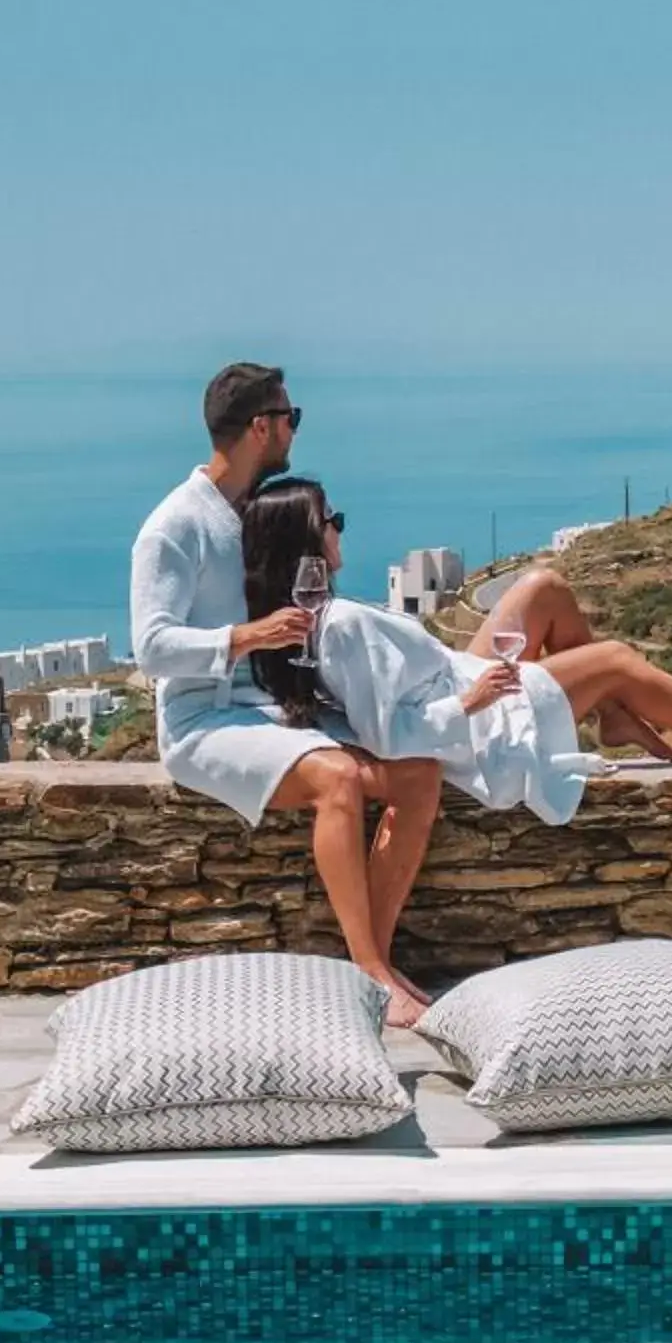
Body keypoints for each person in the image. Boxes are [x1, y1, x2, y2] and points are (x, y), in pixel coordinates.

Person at [130, 363, 441, 1025]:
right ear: (261, 427)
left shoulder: (252, 508)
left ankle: (376, 961)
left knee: (417, 773)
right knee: (338, 782)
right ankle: (367, 970)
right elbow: (151, 647)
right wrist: (248, 636)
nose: (296, 428)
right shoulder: (174, 527)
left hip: (271, 705)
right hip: (203, 720)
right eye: (291, 417)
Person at [239, 477, 672, 815]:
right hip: (480, 719)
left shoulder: (316, 618)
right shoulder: (336, 625)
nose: (340, 527)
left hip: (458, 674)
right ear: (307, 539)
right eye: (331, 519)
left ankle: (614, 716)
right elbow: (389, 735)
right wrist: (471, 703)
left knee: (544, 588)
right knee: (614, 659)